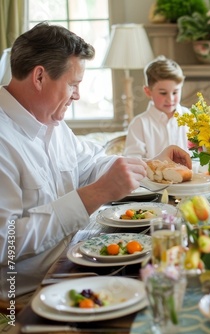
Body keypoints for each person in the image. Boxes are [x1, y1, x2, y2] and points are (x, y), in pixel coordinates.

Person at [0, 22, 191, 308]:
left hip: (78, 263)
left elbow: (92, 163)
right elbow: (6, 244)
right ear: (39, 76)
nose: (77, 95)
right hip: (31, 295)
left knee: (175, 271)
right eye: (73, 84)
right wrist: (92, 196)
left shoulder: (52, 123)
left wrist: (150, 165)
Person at [124, 55, 190, 159]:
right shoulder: (139, 124)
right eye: (163, 93)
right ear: (148, 91)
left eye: (175, 92)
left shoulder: (191, 118)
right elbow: (133, 161)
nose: (170, 99)